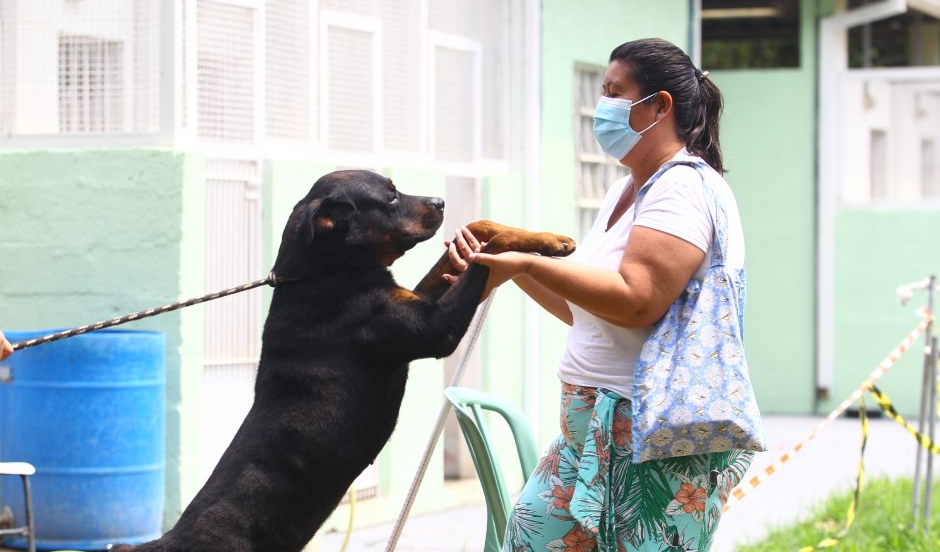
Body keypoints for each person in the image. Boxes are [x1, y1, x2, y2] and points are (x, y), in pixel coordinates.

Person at [446, 38, 755, 551]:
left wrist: (527, 260)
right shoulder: (628, 190)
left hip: (643, 433)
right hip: (587, 428)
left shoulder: (681, 187)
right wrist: (510, 267)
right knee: (528, 536)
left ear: (660, 106)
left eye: (615, 92)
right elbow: (587, 309)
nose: (601, 108)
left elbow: (638, 300)